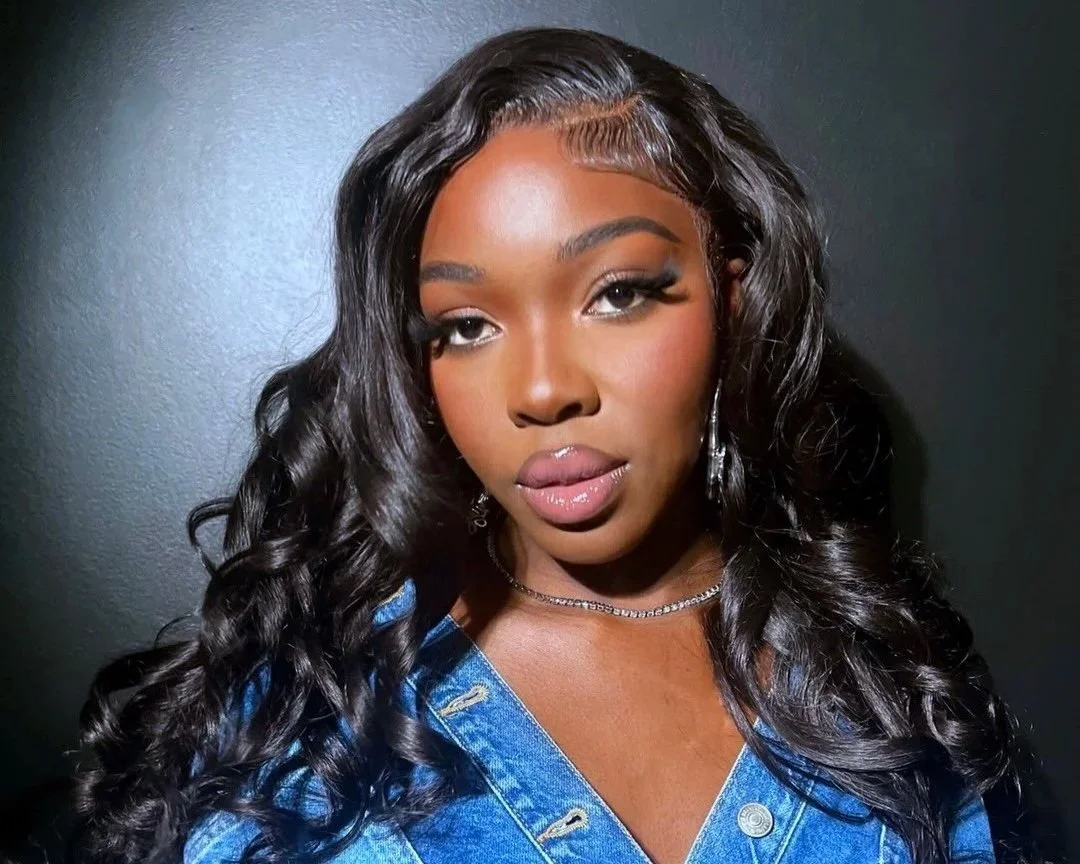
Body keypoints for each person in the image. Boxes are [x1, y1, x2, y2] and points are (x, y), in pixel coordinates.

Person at [67, 25, 1042, 864]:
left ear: (733, 301)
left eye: (618, 294)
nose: (542, 390)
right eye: (465, 326)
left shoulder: (889, 697)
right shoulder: (312, 716)